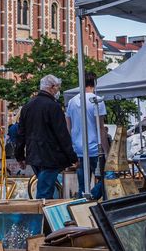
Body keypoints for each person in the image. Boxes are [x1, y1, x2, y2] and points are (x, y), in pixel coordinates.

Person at [14, 74, 77, 199]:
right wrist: (72, 157)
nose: (57, 91)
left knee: (46, 187)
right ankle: (43, 216)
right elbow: (62, 135)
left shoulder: (27, 107)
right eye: (57, 88)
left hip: (34, 155)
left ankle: (45, 214)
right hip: (50, 156)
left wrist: (19, 156)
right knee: (44, 192)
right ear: (52, 87)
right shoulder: (53, 107)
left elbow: (21, 134)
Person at [66, 71, 107, 199]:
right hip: (95, 148)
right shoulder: (96, 100)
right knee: (107, 178)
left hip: (78, 148)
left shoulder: (72, 102)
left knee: (83, 185)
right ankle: (92, 197)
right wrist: (107, 150)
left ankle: (82, 204)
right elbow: (100, 127)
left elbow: (69, 127)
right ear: (94, 83)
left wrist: (71, 146)